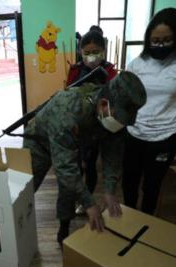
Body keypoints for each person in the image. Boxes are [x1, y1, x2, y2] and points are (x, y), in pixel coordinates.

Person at [23, 71, 146, 246]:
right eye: (119, 119)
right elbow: (64, 168)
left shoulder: (115, 117)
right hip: (39, 144)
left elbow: (113, 155)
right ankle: (17, 229)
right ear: (104, 105)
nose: (120, 124)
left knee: (69, 189)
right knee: (25, 188)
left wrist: (110, 190)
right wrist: (89, 203)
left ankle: (63, 230)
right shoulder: (67, 109)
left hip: (72, 143)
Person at [123, 8, 176, 215]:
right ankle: (129, 220)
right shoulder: (137, 63)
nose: (159, 45)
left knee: (152, 186)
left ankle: (145, 223)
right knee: (128, 182)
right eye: (155, 40)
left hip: (164, 136)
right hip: (134, 133)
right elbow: (126, 99)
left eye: (166, 40)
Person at [66, 27, 118, 215]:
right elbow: (67, 96)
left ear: (103, 51)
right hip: (79, 128)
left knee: (94, 165)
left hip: (102, 128)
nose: (91, 57)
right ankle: (79, 199)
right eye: (86, 53)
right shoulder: (75, 70)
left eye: (95, 52)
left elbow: (115, 100)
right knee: (78, 164)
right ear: (80, 52)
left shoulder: (110, 72)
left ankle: (89, 198)